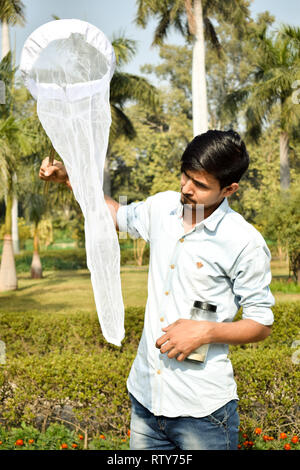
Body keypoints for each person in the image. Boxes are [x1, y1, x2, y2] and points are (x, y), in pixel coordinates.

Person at [39, 129, 275, 451]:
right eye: (185, 175)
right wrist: (72, 177)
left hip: (202, 412)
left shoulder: (244, 242)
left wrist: (204, 332)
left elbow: (261, 324)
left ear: (229, 189)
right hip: (145, 400)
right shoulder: (162, 207)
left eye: (201, 185)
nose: (186, 188)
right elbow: (114, 214)